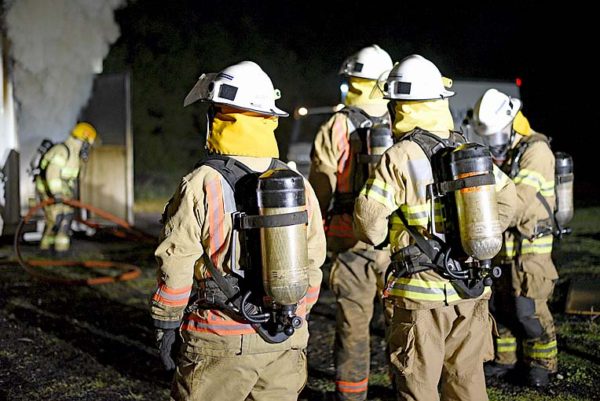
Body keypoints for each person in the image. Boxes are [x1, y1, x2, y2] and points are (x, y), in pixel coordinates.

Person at [151, 61, 326, 401]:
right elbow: (314, 260)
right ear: (268, 118)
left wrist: (166, 323)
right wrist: (295, 314)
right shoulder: (296, 183)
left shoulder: (202, 182)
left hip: (220, 337)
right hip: (285, 338)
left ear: (219, 116)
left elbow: (176, 261)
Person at [353, 54, 517, 401]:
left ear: (399, 106)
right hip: (471, 289)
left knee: (417, 387)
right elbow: (509, 198)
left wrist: (384, 238)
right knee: (467, 382)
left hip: (421, 296)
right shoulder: (467, 150)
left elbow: (368, 222)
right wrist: (483, 235)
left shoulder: (400, 155)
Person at [308, 44, 393, 401]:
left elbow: (320, 189)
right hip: (395, 242)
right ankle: (409, 389)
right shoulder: (401, 121)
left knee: (353, 323)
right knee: (405, 323)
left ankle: (351, 394)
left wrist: (313, 237)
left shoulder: (336, 126)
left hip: (348, 240)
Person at [471, 88, 558, 388]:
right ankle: (505, 360)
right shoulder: (510, 153)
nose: (494, 144)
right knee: (501, 306)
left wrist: (481, 224)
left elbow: (516, 203)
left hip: (529, 247)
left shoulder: (537, 152)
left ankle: (542, 364)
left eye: (497, 135)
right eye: (489, 138)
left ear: (513, 125)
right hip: (503, 244)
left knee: (529, 310)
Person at [34, 122, 97, 253]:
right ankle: (46, 250)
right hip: (49, 190)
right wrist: (56, 193)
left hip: (63, 192)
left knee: (66, 217)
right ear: (83, 141)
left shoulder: (75, 155)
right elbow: (52, 173)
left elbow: (72, 178)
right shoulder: (63, 151)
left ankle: (61, 251)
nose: (88, 148)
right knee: (56, 219)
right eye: (88, 144)